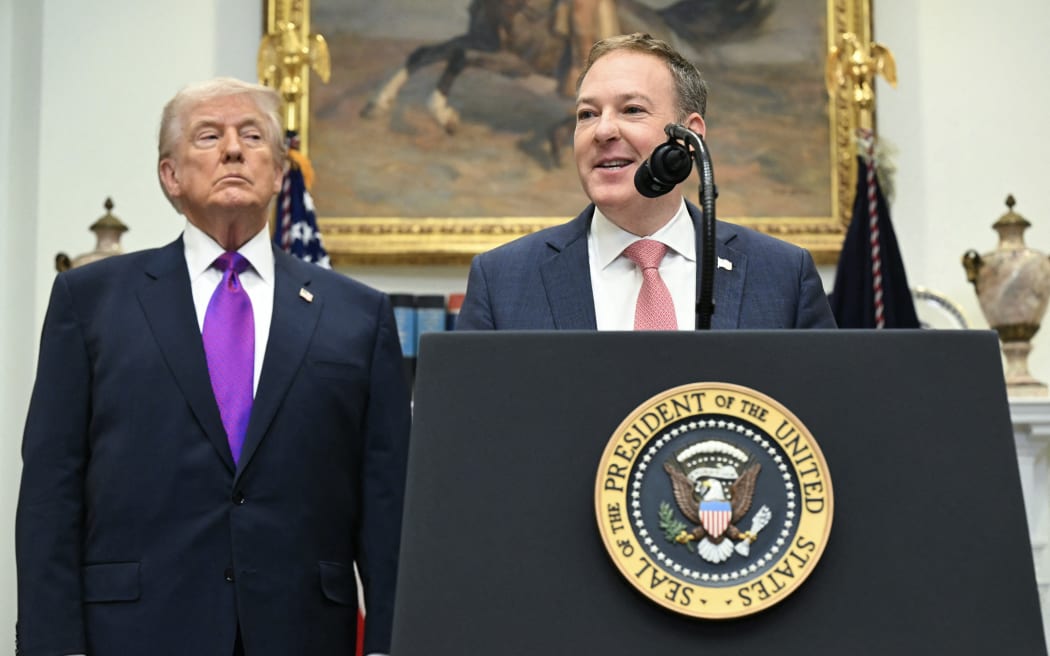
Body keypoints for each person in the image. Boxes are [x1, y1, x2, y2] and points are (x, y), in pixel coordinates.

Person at [15, 78, 410, 656]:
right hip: (133, 633)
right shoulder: (90, 301)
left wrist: (390, 643)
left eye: (252, 135)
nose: (233, 149)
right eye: (209, 136)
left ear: (278, 174)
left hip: (301, 633)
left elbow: (388, 506)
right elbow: (51, 493)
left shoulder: (358, 315)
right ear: (170, 176)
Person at [456, 33, 836, 330]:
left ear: (689, 137)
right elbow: (467, 428)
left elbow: (823, 422)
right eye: (587, 114)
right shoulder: (501, 282)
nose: (602, 130)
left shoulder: (783, 275)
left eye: (632, 110)